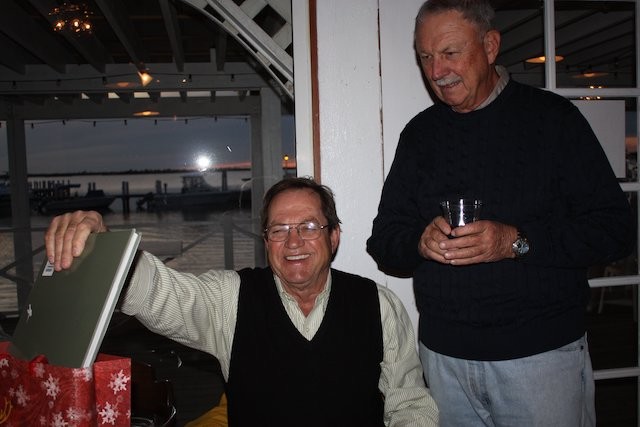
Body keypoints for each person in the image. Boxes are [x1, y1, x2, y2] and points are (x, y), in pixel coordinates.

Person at [366, 1, 636, 426]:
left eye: (450, 53)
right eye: (425, 57)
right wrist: (419, 241)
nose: (436, 71)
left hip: (542, 358)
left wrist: (515, 242)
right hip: (443, 360)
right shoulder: (420, 134)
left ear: (490, 46)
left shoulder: (553, 120)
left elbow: (616, 230)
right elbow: (383, 241)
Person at [45, 176, 439, 427]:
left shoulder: (378, 305)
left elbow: (410, 405)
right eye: (279, 230)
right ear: (266, 241)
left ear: (333, 237)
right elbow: (162, 293)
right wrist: (106, 246)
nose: (294, 242)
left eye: (308, 227)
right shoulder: (231, 298)